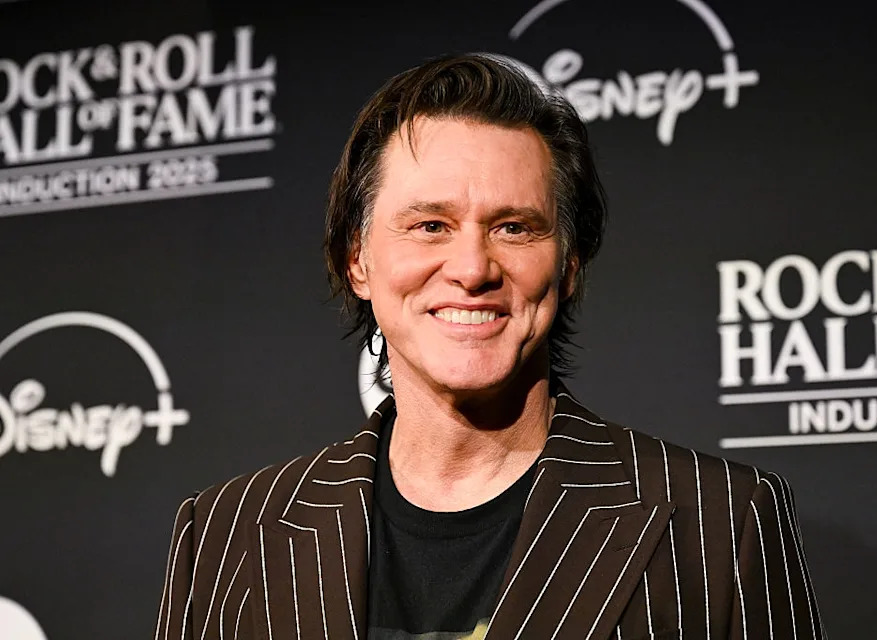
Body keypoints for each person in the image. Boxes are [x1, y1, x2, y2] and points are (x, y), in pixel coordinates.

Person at [155, 54, 824, 640]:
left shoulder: (721, 523)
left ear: (567, 267)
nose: (472, 267)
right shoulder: (224, 536)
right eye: (430, 225)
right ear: (357, 260)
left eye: (513, 226)